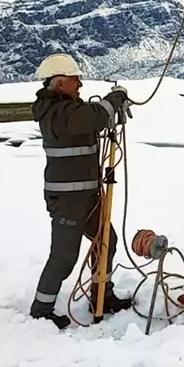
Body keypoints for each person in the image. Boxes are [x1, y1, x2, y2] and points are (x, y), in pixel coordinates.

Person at [28, 53, 134, 329]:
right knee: (64, 256)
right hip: (68, 200)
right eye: (76, 80)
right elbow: (92, 117)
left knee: (105, 241)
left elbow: (92, 121)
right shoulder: (57, 113)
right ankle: (41, 309)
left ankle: (102, 295)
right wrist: (113, 101)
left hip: (87, 196)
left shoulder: (70, 110)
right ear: (60, 83)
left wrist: (114, 113)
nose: (80, 86)